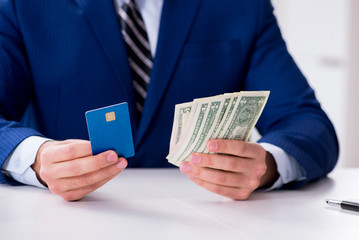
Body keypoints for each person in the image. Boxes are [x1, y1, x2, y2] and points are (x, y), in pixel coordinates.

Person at [0, 0, 338, 201]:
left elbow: (308, 123)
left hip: (203, 220)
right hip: (64, 219)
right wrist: (35, 159)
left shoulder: (241, 6)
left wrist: (268, 165)